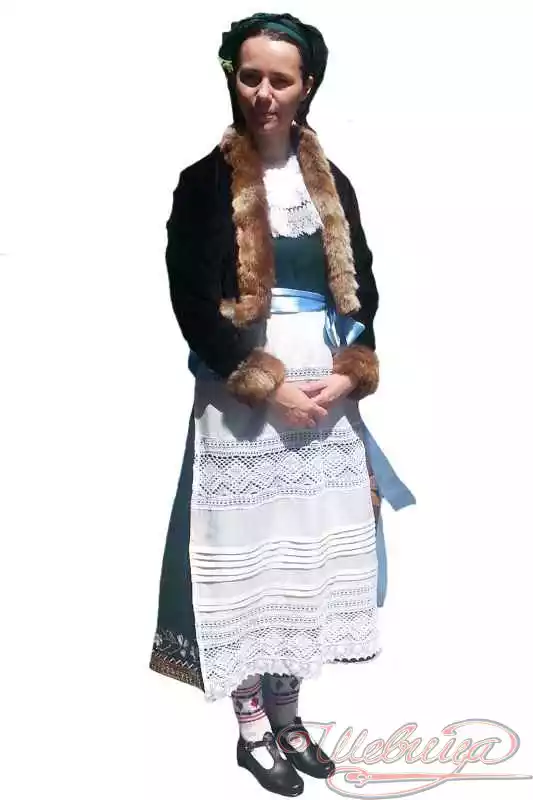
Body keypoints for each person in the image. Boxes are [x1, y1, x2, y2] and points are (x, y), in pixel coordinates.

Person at [150, 12, 415, 796]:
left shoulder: (332, 185)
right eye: (250, 76)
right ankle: (251, 728)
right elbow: (191, 303)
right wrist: (264, 387)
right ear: (232, 79)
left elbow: (361, 290)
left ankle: (290, 713)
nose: (263, 93)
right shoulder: (203, 184)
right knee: (251, 568)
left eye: (281, 79)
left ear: (307, 87)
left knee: (304, 561)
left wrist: (351, 371)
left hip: (324, 406)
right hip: (242, 405)